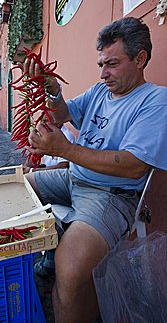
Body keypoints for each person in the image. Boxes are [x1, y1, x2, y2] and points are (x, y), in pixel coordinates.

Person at [24, 17, 167, 323]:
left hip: (111, 194)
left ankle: (61, 269)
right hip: (73, 178)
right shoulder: (100, 91)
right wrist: (51, 90)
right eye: (101, 63)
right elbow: (63, 114)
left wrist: (64, 150)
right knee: (19, 188)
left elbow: (133, 167)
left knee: (72, 267)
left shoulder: (156, 100)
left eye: (112, 64)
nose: (103, 73)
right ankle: (48, 257)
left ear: (140, 59)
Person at [23, 124, 76, 276]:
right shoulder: (43, 132)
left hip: (62, 178)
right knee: (24, 189)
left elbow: (63, 166)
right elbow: (33, 159)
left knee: (43, 209)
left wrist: (34, 170)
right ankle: (43, 244)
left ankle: (52, 252)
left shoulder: (65, 135)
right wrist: (27, 166)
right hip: (50, 174)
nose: (43, 120)